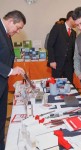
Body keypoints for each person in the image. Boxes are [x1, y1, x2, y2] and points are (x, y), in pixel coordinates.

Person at [0, 10, 26, 150]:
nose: (17, 31)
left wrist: (13, 66)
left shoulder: (6, 33)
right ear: (11, 21)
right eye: (18, 28)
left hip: (3, 84)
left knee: (2, 119)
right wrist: (10, 71)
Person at [47, 11, 76, 83]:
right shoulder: (57, 27)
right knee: (56, 85)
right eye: (75, 19)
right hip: (57, 63)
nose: (77, 22)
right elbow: (50, 44)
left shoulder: (74, 33)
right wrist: (52, 60)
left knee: (69, 85)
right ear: (70, 18)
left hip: (69, 66)